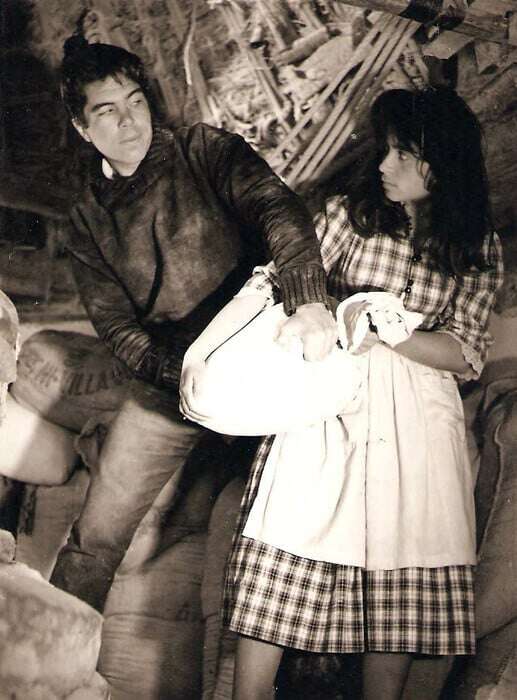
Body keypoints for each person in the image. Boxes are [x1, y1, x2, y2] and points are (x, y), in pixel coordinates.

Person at [181, 86, 504, 700]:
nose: (384, 165)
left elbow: (465, 351)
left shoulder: (476, 243)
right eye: (386, 150)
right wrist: (333, 313)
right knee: (290, 530)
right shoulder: (348, 216)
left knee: (401, 559)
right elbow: (289, 280)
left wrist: (391, 330)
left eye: (403, 154)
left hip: (415, 420)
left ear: (443, 163)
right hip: (328, 395)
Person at [49, 35, 337, 613]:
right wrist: (180, 374)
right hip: (170, 378)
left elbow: (277, 208)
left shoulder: (203, 151)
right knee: (95, 538)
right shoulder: (84, 217)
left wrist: (308, 299)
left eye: (136, 102)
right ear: (83, 128)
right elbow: (114, 324)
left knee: (292, 528)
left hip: (264, 357)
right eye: (107, 111)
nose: (129, 121)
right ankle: (50, 656)